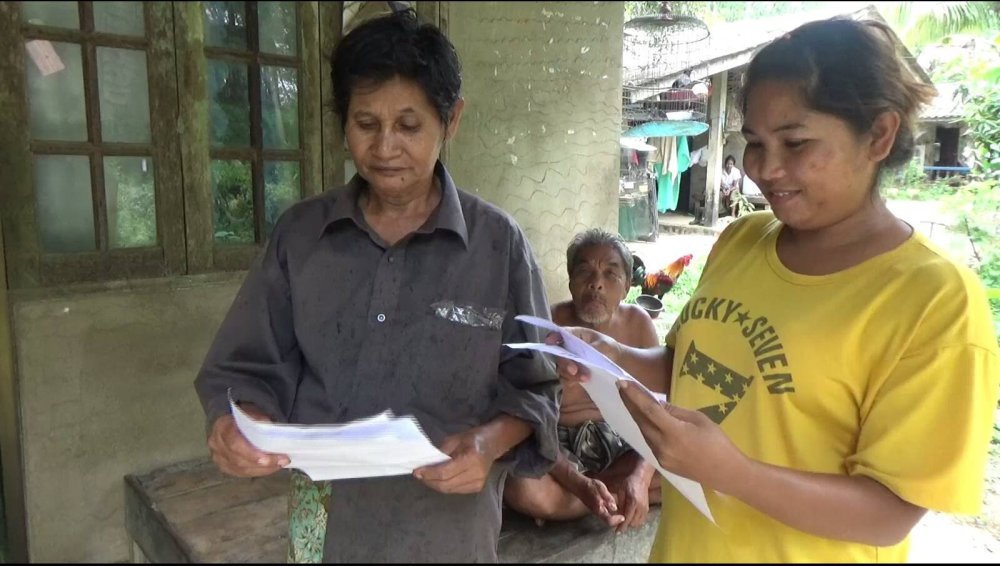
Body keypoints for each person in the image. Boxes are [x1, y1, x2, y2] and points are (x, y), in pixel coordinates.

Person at [550, 17, 1000, 563]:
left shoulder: (933, 301)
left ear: (879, 135)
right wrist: (612, 355)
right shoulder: (742, 240)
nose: (765, 168)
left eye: (795, 142)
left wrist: (731, 472)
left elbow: (890, 513)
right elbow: (695, 366)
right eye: (755, 143)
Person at [193, 9, 560, 563]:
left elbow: (537, 388)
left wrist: (487, 444)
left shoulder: (498, 246)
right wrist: (238, 424)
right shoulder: (302, 236)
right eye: (366, 124)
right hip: (326, 528)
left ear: (451, 120)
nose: (385, 147)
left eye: (409, 126)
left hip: (448, 533)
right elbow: (245, 366)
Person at [503, 229, 661, 533]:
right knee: (523, 489)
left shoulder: (638, 324)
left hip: (623, 445)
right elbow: (531, 422)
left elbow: (659, 410)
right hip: (559, 452)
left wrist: (640, 478)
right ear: (571, 281)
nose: (596, 283)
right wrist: (577, 483)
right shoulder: (548, 326)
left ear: (627, 286)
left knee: (694, 465)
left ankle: (591, 501)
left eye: (610, 274)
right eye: (584, 271)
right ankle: (610, 496)